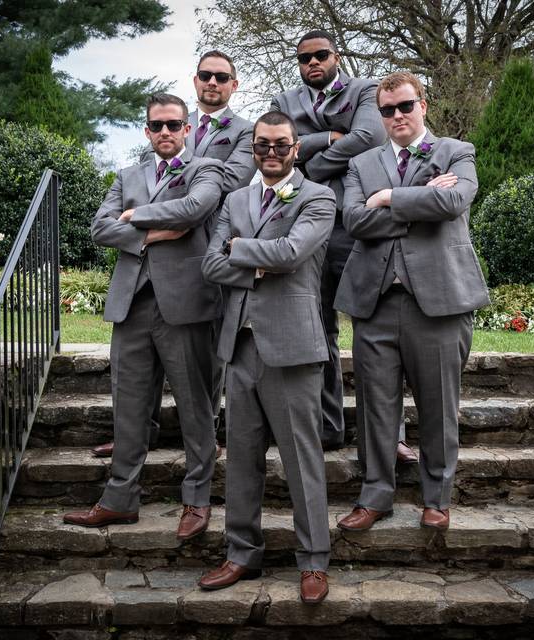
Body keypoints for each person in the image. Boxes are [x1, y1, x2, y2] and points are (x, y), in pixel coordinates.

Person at [63, 93, 224, 542]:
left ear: (188, 128)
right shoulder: (127, 174)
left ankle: (196, 499)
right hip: (131, 305)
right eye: (158, 126)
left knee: (196, 408)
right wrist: (154, 233)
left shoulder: (206, 171)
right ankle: (119, 500)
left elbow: (194, 210)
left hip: (187, 307)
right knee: (129, 408)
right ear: (147, 130)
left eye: (175, 124)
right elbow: (99, 228)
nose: (167, 132)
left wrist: (135, 218)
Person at [334, 72, 490, 533]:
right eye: (387, 110)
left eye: (405, 106)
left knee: (439, 406)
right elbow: (355, 221)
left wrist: (387, 199)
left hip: (438, 302)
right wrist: (416, 204)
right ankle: (375, 496)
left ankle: (436, 498)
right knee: (375, 406)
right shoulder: (362, 164)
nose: (397, 116)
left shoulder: (456, 152)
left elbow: (454, 202)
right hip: (376, 302)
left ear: (423, 105)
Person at [198, 111, 335, 604]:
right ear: (252, 148)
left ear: (296, 148)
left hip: (293, 349)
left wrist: (242, 249)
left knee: (303, 459)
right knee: (241, 460)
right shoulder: (235, 199)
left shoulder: (318, 196)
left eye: (280, 145)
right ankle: (241, 553)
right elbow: (212, 264)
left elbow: (294, 254)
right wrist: (255, 263)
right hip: (239, 348)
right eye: (262, 146)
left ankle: (314, 561)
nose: (271, 154)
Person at [91, 51, 256, 459]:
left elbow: (227, 183)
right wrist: (149, 233)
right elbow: (109, 219)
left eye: (221, 77)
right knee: (132, 379)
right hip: (141, 279)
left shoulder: (245, 131)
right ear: (195, 80)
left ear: (233, 84)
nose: (212, 82)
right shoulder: (152, 148)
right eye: (205, 75)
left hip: (203, 253)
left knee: (200, 371)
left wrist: (137, 214)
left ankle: (203, 444)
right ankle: (134, 438)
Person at [270, 30, 415, 463]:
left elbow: (369, 137)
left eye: (321, 55)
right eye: (304, 58)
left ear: (336, 56)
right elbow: (278, 147)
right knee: (319, 332)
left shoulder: (365, 90)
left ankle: (393, 436)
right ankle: (329, 427)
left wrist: (307, 156)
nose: (313, 62)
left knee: (373, 332)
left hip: (355, 227)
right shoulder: (284, 101)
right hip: (305, 228)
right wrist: (332, 138)